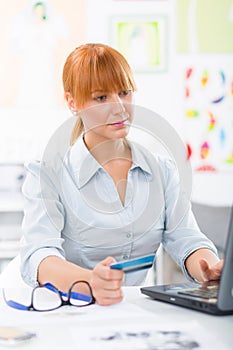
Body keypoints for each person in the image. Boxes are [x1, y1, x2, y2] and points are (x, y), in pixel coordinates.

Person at [20, 43, 223, 306]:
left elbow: (186, 237)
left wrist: (210, 268)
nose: (119, 108)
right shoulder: (47, 172)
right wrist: (91, 281)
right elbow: (38, 254)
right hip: (74, 310)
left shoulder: (161, 169)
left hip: (140, 312)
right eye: (101, 98)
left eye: (124, 93)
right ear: (72, 103)